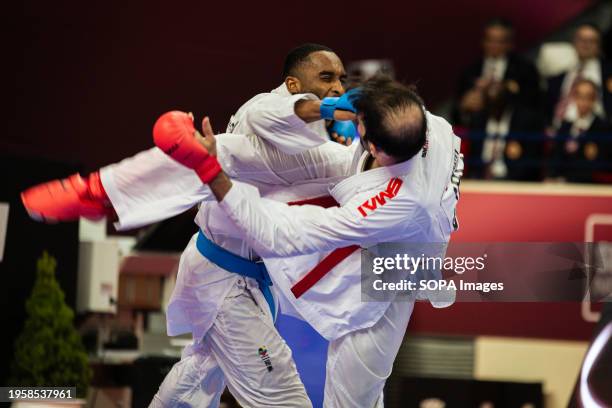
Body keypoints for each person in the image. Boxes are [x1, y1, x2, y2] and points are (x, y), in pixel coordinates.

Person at [22, 43, 359, 408]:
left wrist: (354, 134)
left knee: (200, 375)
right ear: (293, 84)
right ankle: (98, 192)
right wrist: (332, 109)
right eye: (326, 77)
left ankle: (104, 191)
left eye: (342, 79)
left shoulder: (315, 146)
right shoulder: (265, 108)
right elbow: (290, 112)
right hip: (225, 281)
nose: (338, 86)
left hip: (239, 276)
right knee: (283, 396)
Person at [153, 76, 463, 407]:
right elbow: (271, 134)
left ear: (373, 147)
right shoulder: (428, 123)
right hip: (375, 242)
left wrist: (213, 174)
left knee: (353, 399)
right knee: (211, 360)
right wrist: (325, 107)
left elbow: (289, 233)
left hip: (382, 285)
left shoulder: (400, 201)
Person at [454, 18, 540, 127]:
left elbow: (533, 105)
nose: (494, 45)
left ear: (510, 44)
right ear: (483, 41)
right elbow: (456, 114)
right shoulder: (470, 71)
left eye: (500, 41)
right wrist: (463, 107)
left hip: (513, 133)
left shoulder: (525, 70)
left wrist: (499, 95)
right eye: (490, 40)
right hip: (477, 135)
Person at [465, 81, 544, 181]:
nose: (494, 105)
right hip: (481, 179)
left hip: (512, 181)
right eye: (490, 101)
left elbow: (531, 161)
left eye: (498, 100)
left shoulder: (524, 121)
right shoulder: (478, 120)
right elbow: (473, 155)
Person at [546, 24, 612, 128]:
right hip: (560, 134)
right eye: (581, 40)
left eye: (591, 41)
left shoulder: (608, 73)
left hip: (599, 135)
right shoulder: (559, 78)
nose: (585, 45)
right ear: (574, 42)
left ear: (599, 45)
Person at [548, 78, 612, 182]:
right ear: (574, 97)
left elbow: (601, 165)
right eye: (580, 96)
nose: (584, 101)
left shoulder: (604, 128)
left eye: (588, 97)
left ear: (595, 99)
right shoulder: (566, 126)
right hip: (562, 186)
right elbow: (555, 157)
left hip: (590, 187)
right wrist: (553, 177)